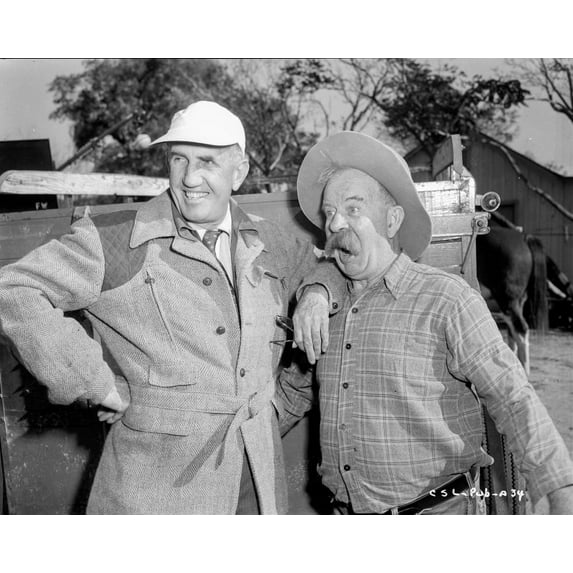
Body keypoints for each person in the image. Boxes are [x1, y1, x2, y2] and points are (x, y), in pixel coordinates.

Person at [0, 101, 339, 515]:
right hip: (156, 491)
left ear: (239, 172)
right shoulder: (117, 240)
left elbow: (327, 267)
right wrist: (95, 383)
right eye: (179, 159)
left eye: (207, 162)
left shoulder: (270, 241)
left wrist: (316, 293)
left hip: (257, 481)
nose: (190, 178)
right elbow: (14, 290)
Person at [281, 131, 573, 515]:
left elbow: (512, 396)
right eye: (329, 212)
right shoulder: (325, 310)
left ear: (392, 220)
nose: (334, 224)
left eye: (353, 209)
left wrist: (558, 485)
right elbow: (294, 394)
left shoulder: (446, 299)